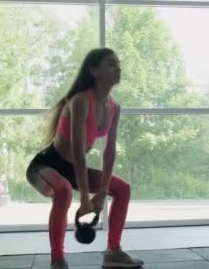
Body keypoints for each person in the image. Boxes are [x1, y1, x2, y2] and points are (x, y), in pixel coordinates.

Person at [26, 47, 144, 269]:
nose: (117, 67)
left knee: (123, 188)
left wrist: (101, 193)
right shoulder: (81, 100)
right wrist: (84, 201)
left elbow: (109, 152)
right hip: (46, 165)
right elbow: (79, 152)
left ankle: (113, 252)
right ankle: (58, 261)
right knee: (63, 190)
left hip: (72, 170)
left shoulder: (114, 107)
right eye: (111, 63)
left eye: (118, 63)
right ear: (94, 70)